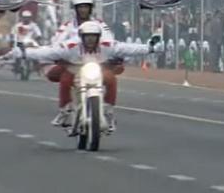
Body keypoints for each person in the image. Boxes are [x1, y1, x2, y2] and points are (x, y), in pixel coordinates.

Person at [15, 21, 164, 133]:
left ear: (99, 37)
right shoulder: (70, 46)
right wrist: (25, 53)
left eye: (94, 37)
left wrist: (150, 48)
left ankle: (108, 112)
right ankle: (65, 111)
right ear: (81, 37)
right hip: (75, 68)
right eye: (87, 37)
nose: (91, 40)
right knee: (65, 79)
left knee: (111, 79)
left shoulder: (107, 45)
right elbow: (47, 52)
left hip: (98, 68)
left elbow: (128, 48)